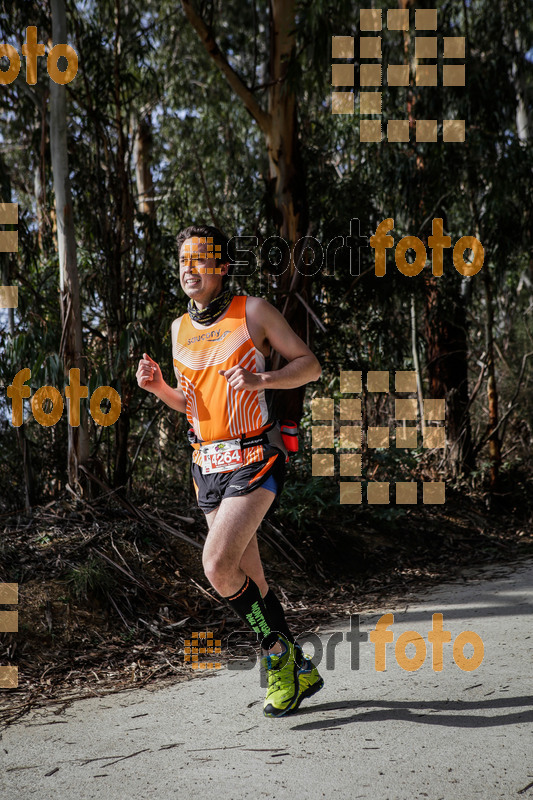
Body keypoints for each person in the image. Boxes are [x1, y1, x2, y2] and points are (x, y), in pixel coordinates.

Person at [136, 224, 324, 717]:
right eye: (183, 261)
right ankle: (297, 666)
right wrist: (159, 389)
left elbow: (310, 365)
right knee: (249, 580)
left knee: (217, 566)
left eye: (200, 260)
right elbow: (193, 405)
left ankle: (278, 658)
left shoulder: (253, 311)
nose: (189, 269)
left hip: (254, 457)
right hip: (207, 467)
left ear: (221, 266)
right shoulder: (178, 330)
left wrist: (263, 378)